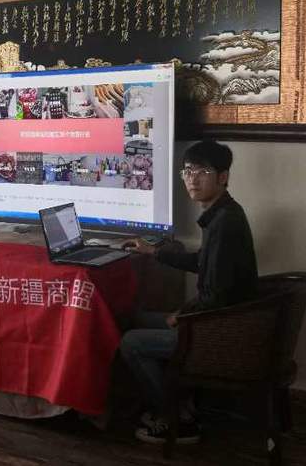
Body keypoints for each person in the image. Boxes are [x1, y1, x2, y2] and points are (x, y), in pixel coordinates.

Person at [120, 140, 257, 444]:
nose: (192, 179)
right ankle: (174, 400)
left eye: (202, 172)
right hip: (216, 320)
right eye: (187, 171)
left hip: (220, 331)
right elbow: (202, 263)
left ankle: (177, 419)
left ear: (223, 177)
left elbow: (216, 297)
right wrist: (154, 252)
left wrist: (182, 316)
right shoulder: (221, 213)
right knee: (135, 318)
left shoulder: (225, 223)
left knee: (132, 341)